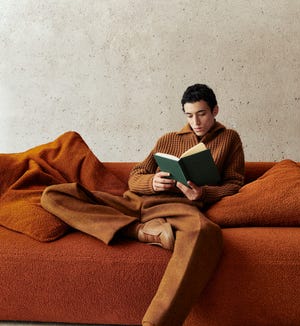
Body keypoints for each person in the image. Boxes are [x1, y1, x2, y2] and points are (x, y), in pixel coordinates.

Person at [41, 83, 245, 326]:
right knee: (53, 195)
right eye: (189, 115)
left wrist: (203, 193)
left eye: (201, 114)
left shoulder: (229, 139)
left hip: (178, 207)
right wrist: (152, 182)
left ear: (215, 111)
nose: (196, 121)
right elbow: (135, 175)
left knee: (206, 232)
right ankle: (139, 230)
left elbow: (234, 184)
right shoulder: (168, 139)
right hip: (136, 202)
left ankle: (155, 323)